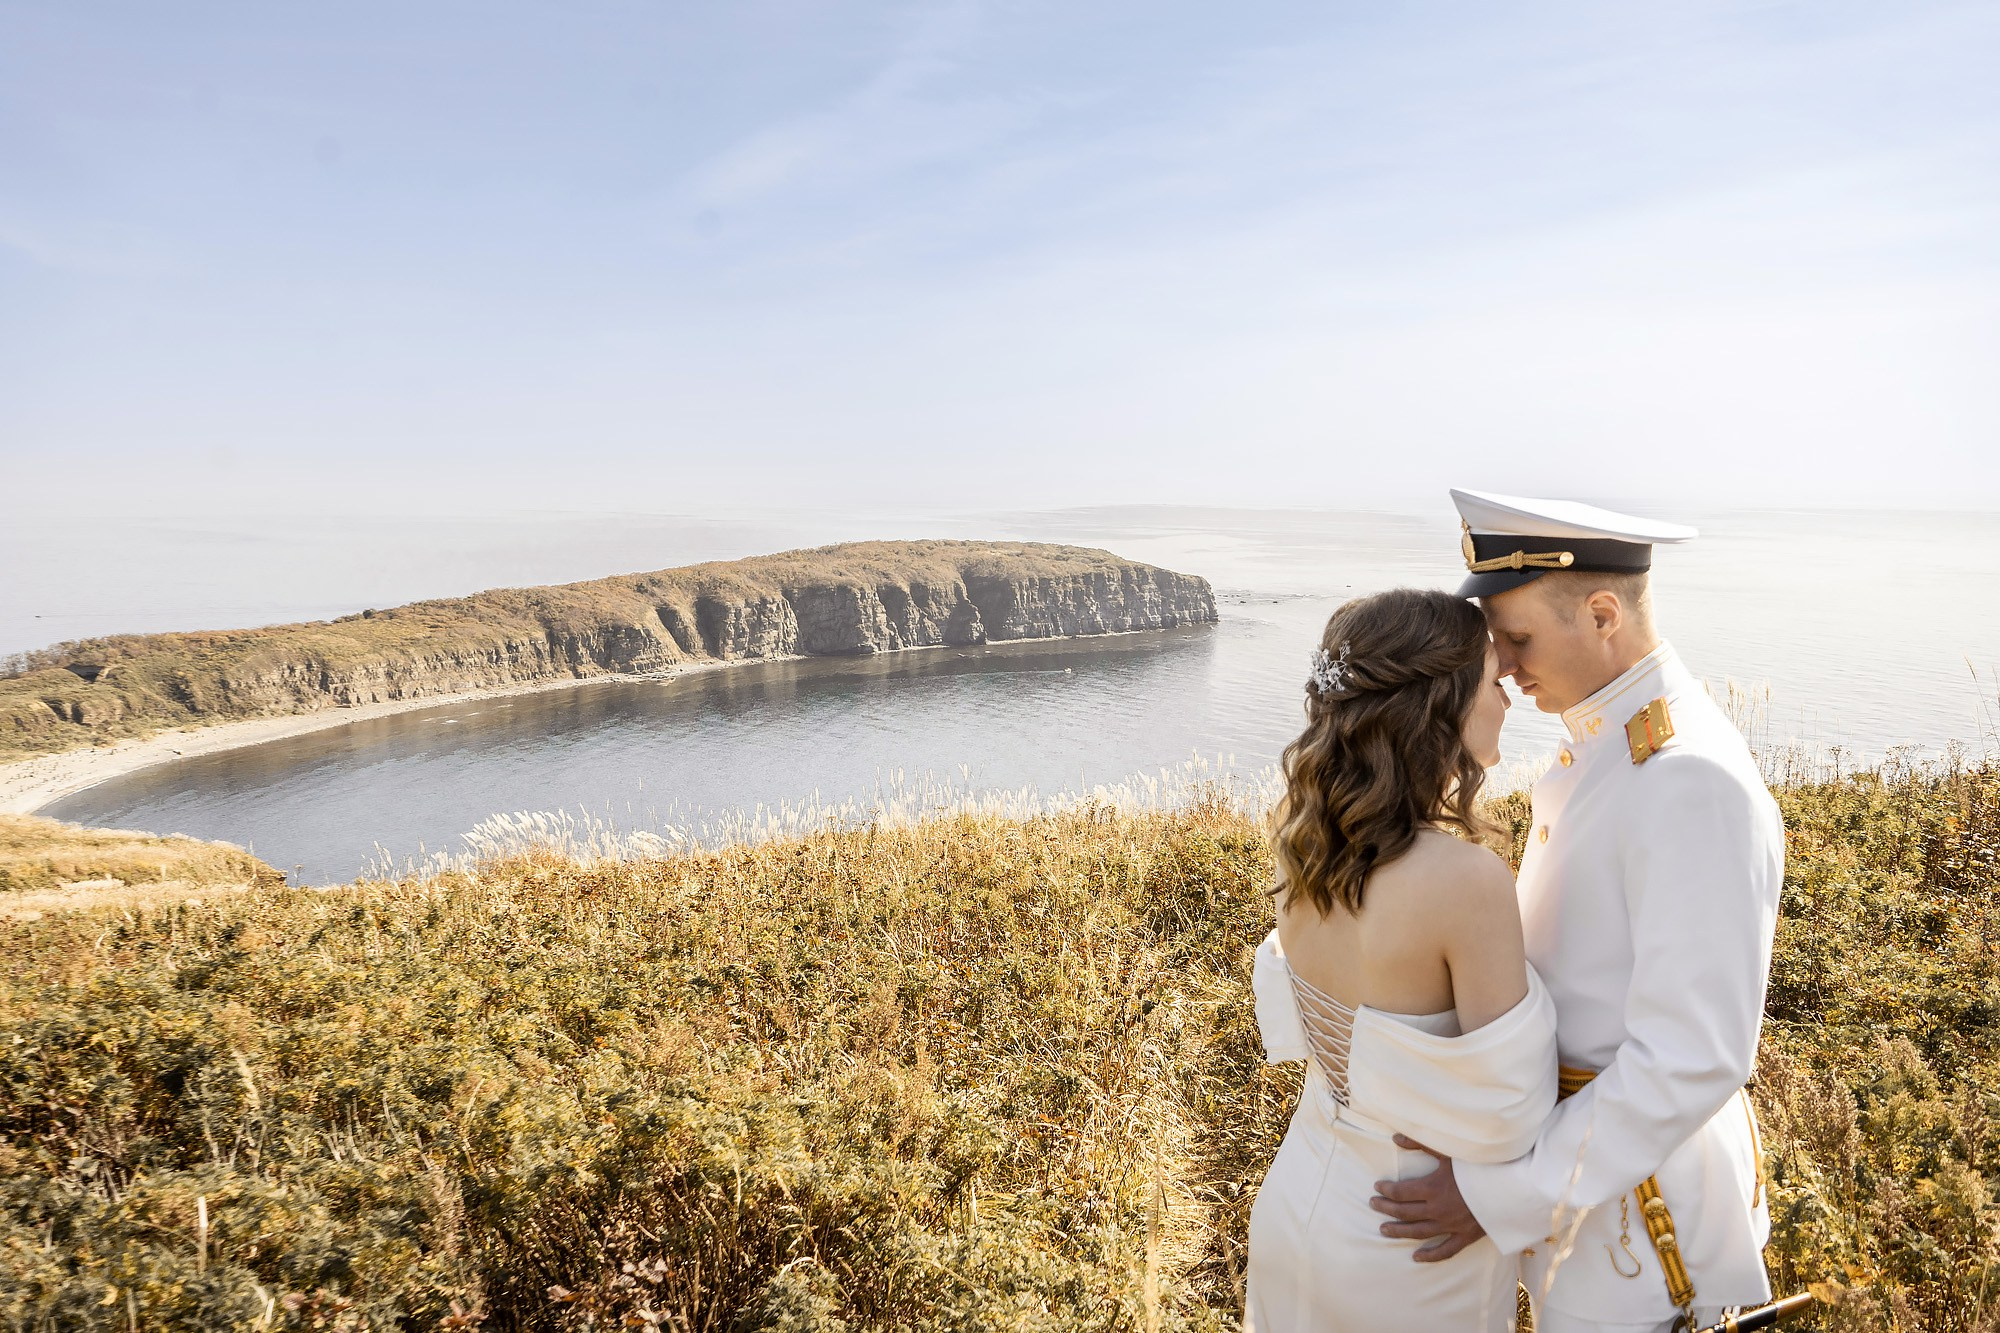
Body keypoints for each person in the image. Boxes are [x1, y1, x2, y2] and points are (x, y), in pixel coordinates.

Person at [1367, 490, 1785, 1333]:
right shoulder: (1606, 746)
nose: (1505, 670)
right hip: (1594, 1181)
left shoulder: (1686, 777)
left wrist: (1501, 1194)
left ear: (1602, 613)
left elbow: (1692, 1054)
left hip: (1645, 1215)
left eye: (1516, 639)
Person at [1244, 587, 1558, 1332]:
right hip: (1410, 1240)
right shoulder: (1465, 880)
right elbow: (1514, 1104)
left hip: (1301, 1199)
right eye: (1490, 678)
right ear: (1438, 706)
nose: (1508, 695)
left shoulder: (1304, 840)